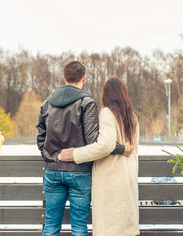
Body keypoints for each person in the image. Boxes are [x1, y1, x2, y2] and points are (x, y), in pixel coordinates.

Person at [36, 61, 127, 236]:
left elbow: (40, 134)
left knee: (51, 226)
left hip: (52, 171)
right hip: (80, 172)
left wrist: (48, 155)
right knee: (79, 227)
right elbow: (94, 140)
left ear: (64, 77)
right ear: (83, 78)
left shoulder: (47, 103)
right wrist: (120, 148)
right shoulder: (87, 102)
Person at [60, 77, 140, 236]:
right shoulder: (132, 117)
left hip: (111, 180)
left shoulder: (107, 112)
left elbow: (105, 145)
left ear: (106, 94)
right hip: (128, 178)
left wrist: (74, 154)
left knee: (109, 228)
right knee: (126, 229)